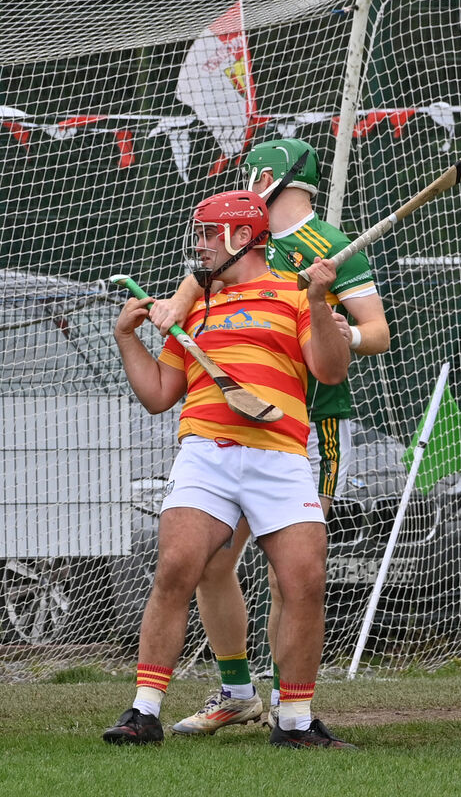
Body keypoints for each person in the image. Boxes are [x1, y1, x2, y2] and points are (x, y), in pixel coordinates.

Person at [148, 138, 390, 735]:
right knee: (207, 562)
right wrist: (168, 312)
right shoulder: (229, 239)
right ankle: (236, 690)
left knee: (296, 570)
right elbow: (184, 304)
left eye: (255, 172)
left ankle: (291, 706)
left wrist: (339, 333)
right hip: (227, 423)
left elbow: (376, 332)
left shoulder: (331, 247)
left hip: (313, 418)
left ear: (274, 176)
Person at [103, 190, 355, 749]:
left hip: (281, 454)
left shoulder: (293, 294)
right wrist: (126, 338)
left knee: (305, 581)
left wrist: (318, 302)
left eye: (208, 234)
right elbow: (159, 393)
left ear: (241, 237)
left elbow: (330, 372)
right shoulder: (193, 305)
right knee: (176, 566)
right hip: (206, 453)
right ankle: (144, 712)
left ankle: (295, 722)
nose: (199, 244)